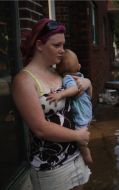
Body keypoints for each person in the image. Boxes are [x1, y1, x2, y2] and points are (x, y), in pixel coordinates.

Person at [12, 18, 91, 190]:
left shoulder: (59, 72)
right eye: (57, 45)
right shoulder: (24, 81)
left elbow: (81, 91)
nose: (62, 51)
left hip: (76, 156)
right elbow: (40, 128)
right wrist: (79, 136)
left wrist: (87, 83)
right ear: (40, 45)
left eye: (63, 45)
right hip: (51, 167)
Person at [46, 49, 93, 164]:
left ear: (58, 70)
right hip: (87, 108)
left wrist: (60, 95)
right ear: (79, 67)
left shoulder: (67, 79)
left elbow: (74, 89)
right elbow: (89, 94)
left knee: (82, 139)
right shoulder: (81, 76)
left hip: (81, 113)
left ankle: (86, 153)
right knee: (85, 129)